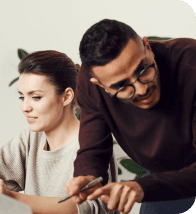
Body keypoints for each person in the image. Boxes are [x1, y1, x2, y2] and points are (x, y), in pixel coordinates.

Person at [64, 19, 196, 214]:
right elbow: (93, 149)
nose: (142, 89)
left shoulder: (191, 63)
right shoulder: (90, 85)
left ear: (148, 47)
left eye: (143, 70)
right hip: (163, 176)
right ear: (100, 84)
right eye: (122, 86)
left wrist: (142, 187)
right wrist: (87, 176)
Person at [0, 50, 117, 214]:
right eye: (22, 97)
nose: (25, 108)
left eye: (36, 97)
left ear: (66, 97)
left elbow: (83, 208)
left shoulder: (94, 143)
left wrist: (10, 196)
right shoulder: (30, 138)